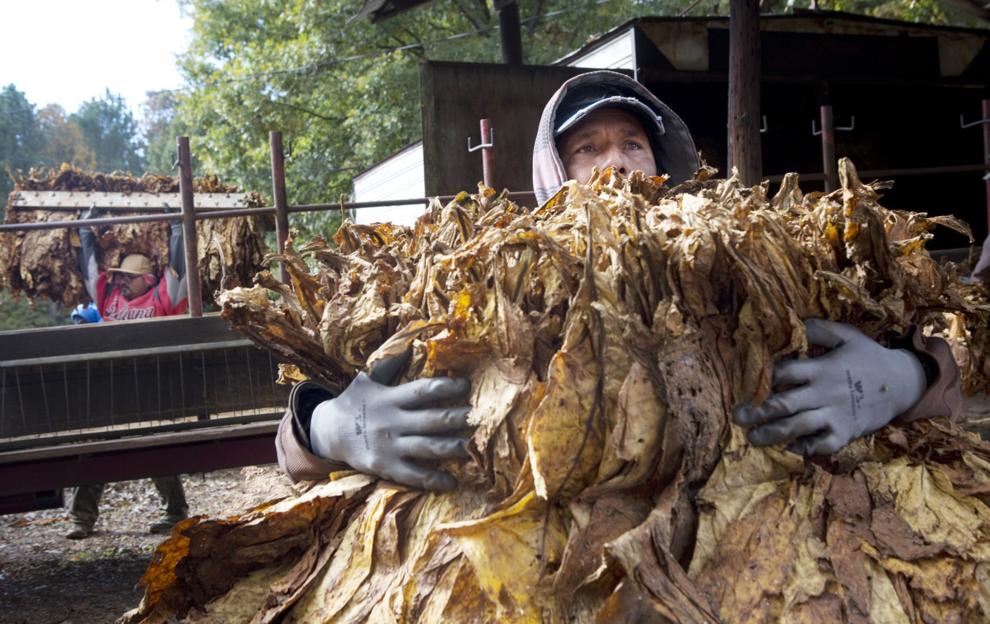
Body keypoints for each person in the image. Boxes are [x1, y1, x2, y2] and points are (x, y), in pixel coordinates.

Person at [275, 70, 961, 490]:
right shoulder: (493, 278)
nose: (617, 163)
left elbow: (955, 363)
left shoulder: (755, 258)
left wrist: (906, 378)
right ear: (553, 173)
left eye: (633, 143)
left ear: (665, 162)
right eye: (588, 149)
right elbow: (294, 448)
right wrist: (329, 426)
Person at [65, 210, 191, 539]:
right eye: (119, 276)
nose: (120, 280)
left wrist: (177, 224)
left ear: (148, 279)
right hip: (111, 386)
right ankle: (81, 519)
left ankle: (175, 511)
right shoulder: (109, 297)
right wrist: (85, 228)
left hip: (151, 386)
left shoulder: (165, 297)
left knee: (154, 445)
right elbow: (91, 267)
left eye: (128, 277)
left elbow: (180, 265)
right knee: (94, 448)